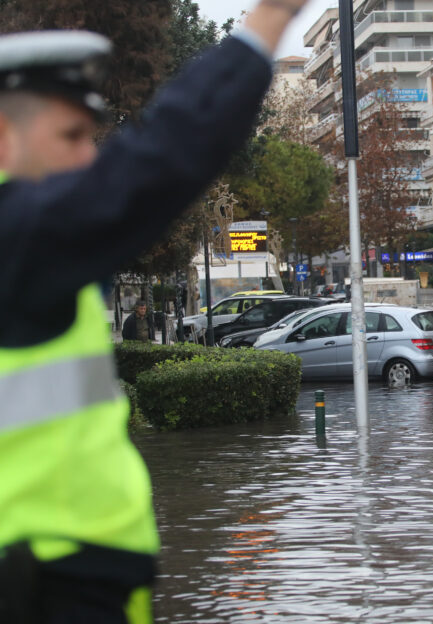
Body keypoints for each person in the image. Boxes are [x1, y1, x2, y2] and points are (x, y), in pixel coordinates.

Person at [0, 2, 308, 622]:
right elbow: (164, 154)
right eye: (71, 137)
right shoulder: (22, 235)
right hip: (45, 575)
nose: (90, 158)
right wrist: (268, 24)